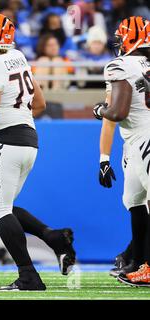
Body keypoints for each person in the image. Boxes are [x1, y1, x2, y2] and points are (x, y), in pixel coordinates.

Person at [0, 12, 76, 291]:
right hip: (28, 140)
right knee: (0, 207)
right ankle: (54, 237)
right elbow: (40, 104)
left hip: (3, 143)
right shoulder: (17, 57)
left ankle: (28, 275)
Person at [93, 16, 150, 287]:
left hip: (143, 139)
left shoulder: (120, 65)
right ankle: (139, 262)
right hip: (138, 140)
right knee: (136, 201)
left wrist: (99, 109)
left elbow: (116, 112)